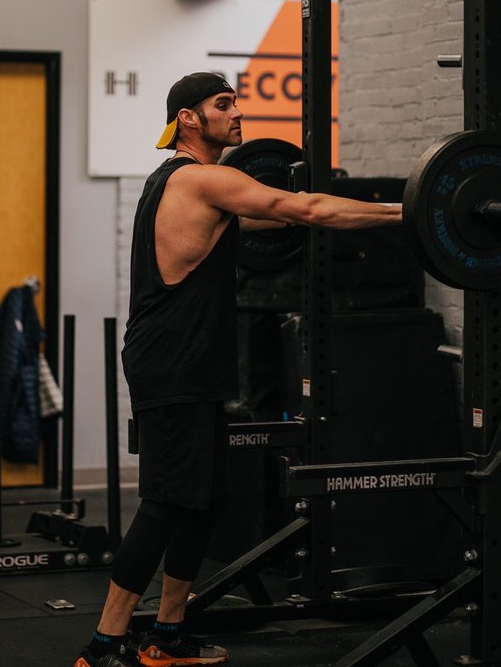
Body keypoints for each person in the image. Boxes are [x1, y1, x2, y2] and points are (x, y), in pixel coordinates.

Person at [74, 71, 403, 667]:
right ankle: (104, 643)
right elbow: (303, 206)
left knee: (203, 500)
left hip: (193, 362)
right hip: (171, 362)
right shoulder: (201, 178)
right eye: (223, 104)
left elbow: (282, 220)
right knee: (166, 502)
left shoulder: (185, 187)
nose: (237, 112)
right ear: (189, 119)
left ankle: (169, 633)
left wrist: (309, 210)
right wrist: (409, 212)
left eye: (235, 102)